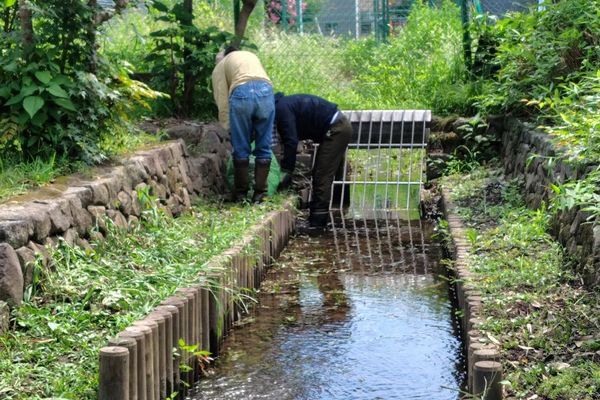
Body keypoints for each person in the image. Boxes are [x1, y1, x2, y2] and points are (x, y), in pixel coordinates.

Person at [274, 92, 352, 227]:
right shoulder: (284, 105)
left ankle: (318, 222)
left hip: (337, 129)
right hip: (335, 126)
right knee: (322, 172)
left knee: (322, 175)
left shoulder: (281, 109)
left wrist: (286, 171)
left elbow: (291, 141)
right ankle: (326, 214)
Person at [212, 46, 275, 202]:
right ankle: (260, 195)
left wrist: (227, 126)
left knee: (241, 147)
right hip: (266, 92)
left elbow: (222, 98)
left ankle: (241, 195)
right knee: (264, 146)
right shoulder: (249, 55)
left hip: (241, 93)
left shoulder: (221, 64)